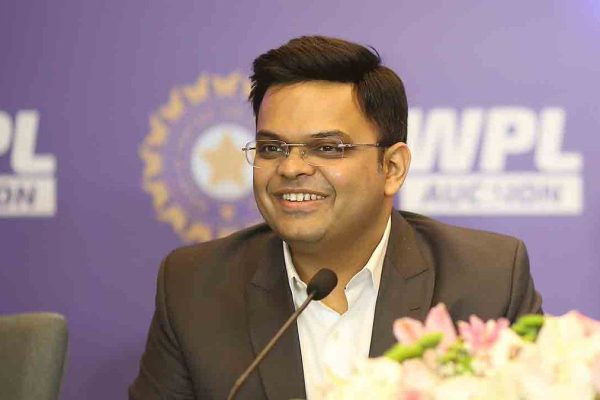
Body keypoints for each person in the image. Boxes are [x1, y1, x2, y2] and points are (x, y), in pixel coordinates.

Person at [129, 35, 542, 400]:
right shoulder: (194, 287)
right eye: (272, 148)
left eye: (326, 148)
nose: (291, 168)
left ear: (392, 168)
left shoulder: (488, 280)